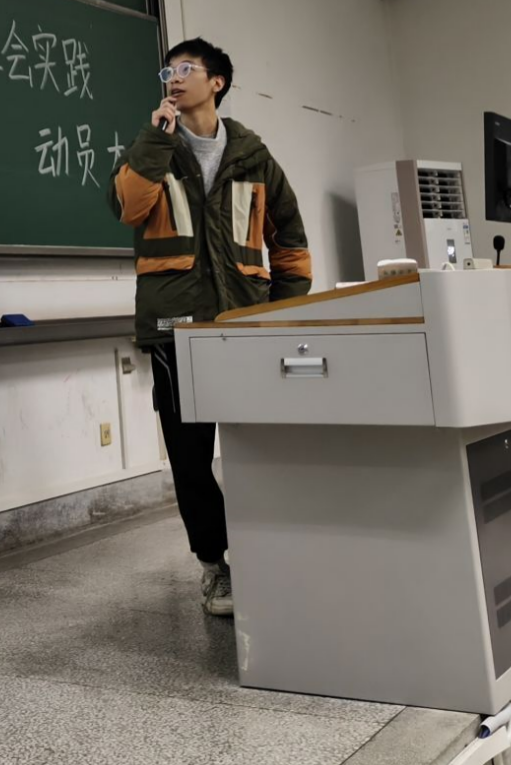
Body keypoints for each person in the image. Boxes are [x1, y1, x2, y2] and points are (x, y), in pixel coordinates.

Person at [108, 37, 311, 617]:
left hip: (245, 328)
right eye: (167, 71)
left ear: (216, 82)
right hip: (176, 332)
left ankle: (267, 552)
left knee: (260, 449)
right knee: (191, 458)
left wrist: (280, 311)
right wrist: (155, 139)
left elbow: (291, 244)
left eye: (185, 68)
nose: (173, 77)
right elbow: (126, 207)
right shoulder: (154, 148)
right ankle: (214, 565)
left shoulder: (253, 157)